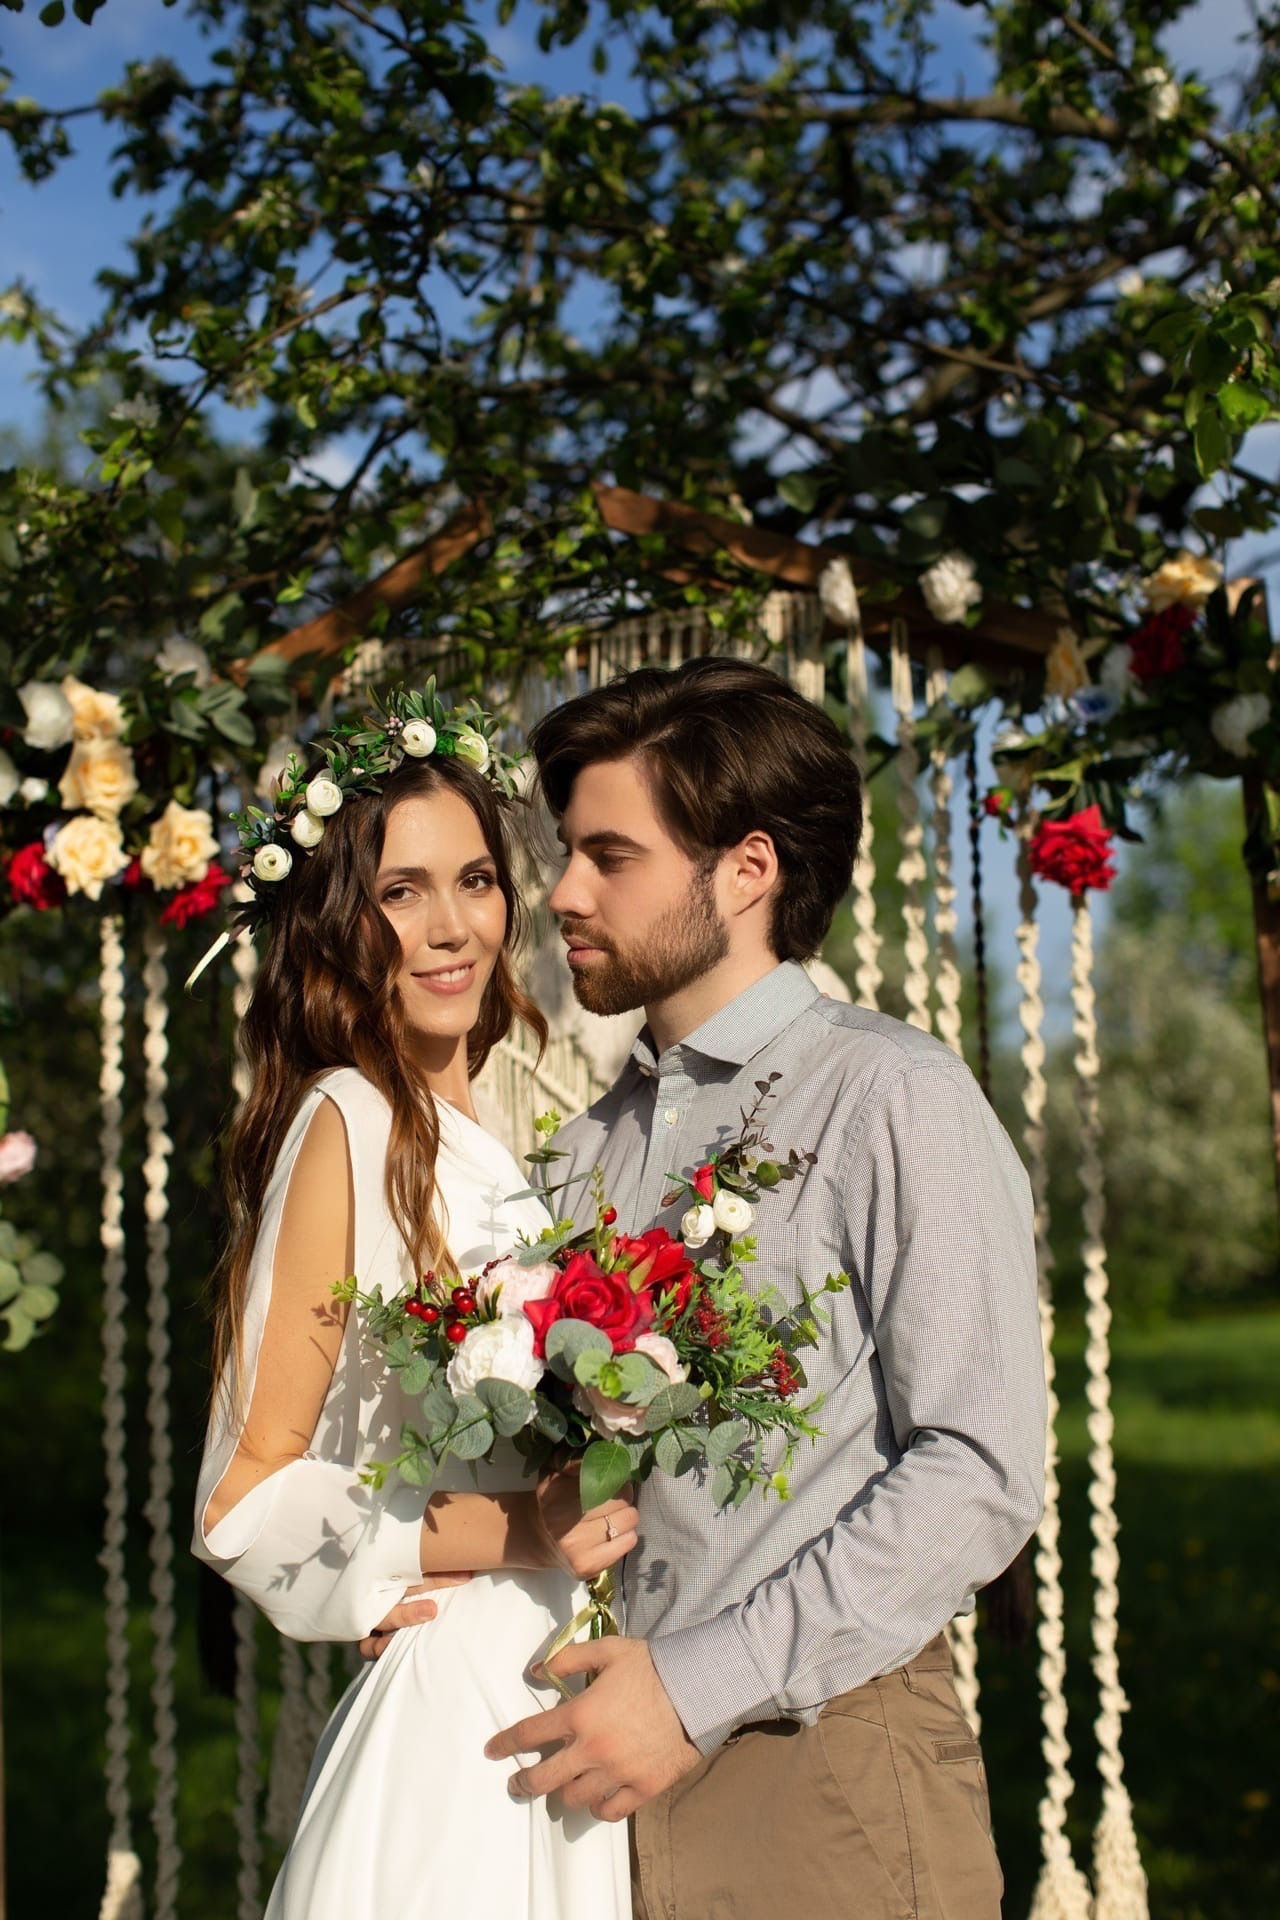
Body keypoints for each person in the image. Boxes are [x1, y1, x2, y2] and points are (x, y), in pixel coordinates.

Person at [485, 656, 1047, 1920]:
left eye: (608, 857)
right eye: (566, 853)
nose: (562, 893)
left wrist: (693, 1684)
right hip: (586, 1785)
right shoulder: (580, 1153)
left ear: (744, 870)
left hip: (826, 1767)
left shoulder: (892, 1098)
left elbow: (979, 1466)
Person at [191, 698, 634, 1920]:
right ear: (340, 922)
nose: (452, 929)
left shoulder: (484, 1137)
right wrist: (527, 1532)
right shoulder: (349, 1120)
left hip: (558, 1680)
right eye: (402, 893)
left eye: (477, 880)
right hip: (467, 1719)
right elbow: (244, 1495)